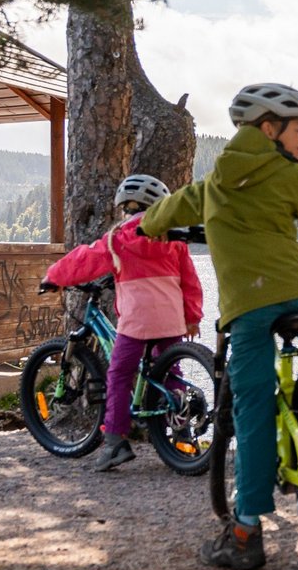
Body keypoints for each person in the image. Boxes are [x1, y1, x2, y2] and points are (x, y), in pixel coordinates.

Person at [140, 83, 298, 570]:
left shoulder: (211, 187)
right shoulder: (293, 176)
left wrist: (147, 224)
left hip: (248, 311)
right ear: (269, 129)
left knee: (253, 408)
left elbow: (159, 217)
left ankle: (245, 531)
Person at [42, 174, 202, 472]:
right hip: (170, 320)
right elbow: (190, 280)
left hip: (137, 323)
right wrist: (192, 316)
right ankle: (181, 431)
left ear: (125, 208)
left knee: (118, 375)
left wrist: (53, 276)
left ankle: (115, 442)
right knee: (171, 372)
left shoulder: (118, 238)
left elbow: (84, 261)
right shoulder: (172, 239)